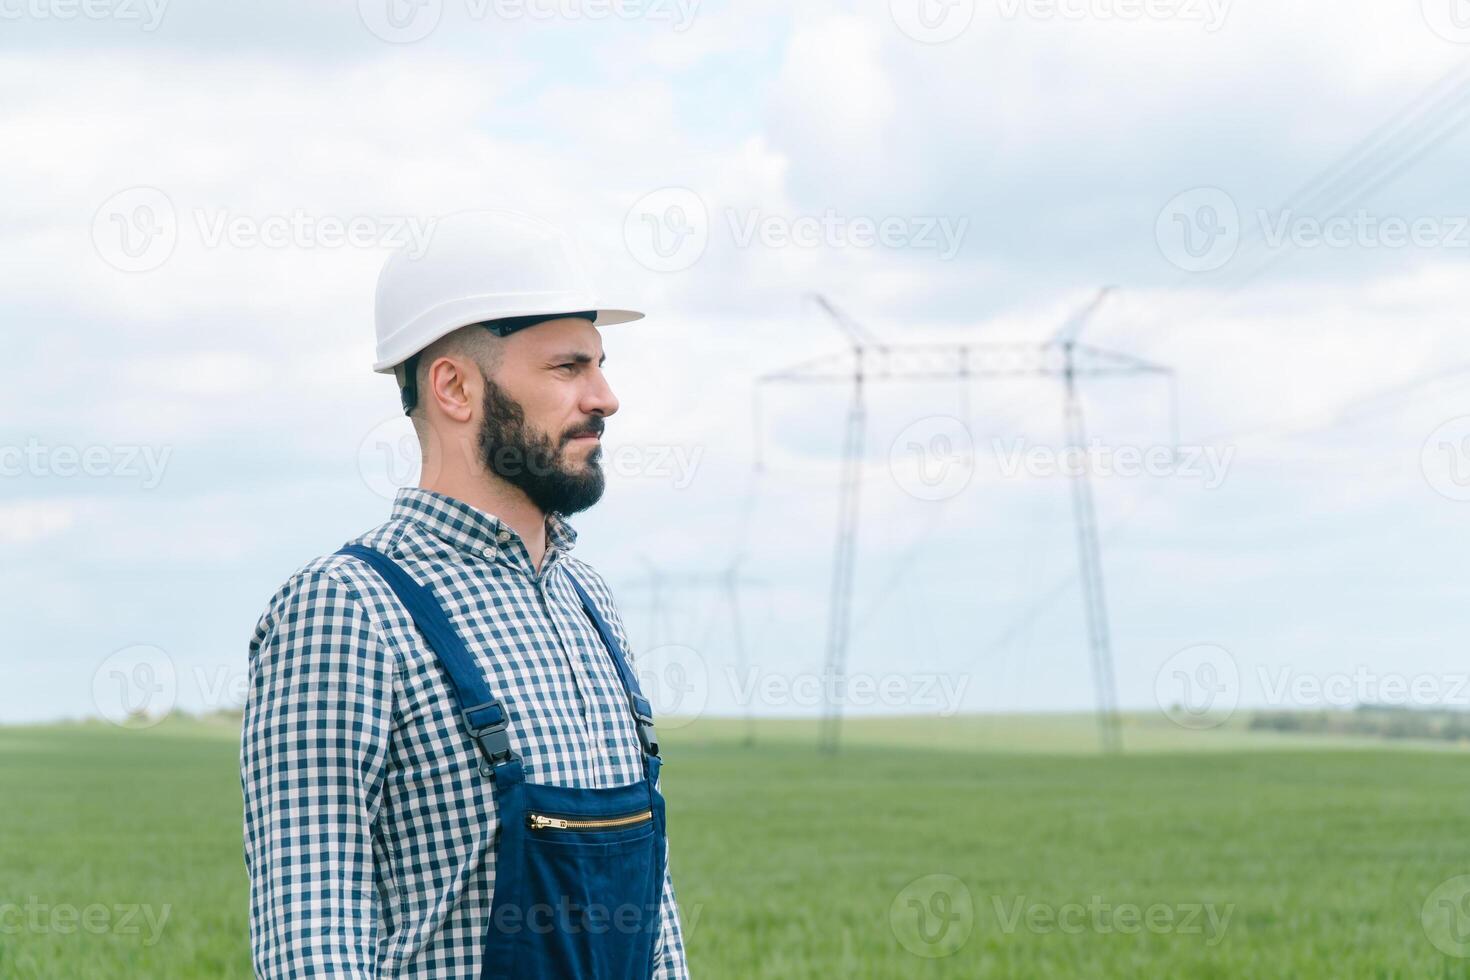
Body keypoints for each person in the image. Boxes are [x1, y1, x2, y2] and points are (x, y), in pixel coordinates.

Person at [240, 210, 689, 979]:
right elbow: (311, 946)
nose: (607, 397)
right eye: (568, 367)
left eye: (601, 364)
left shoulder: (588, 602)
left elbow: (655, 923)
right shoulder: (346, 611)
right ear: (454, 387)